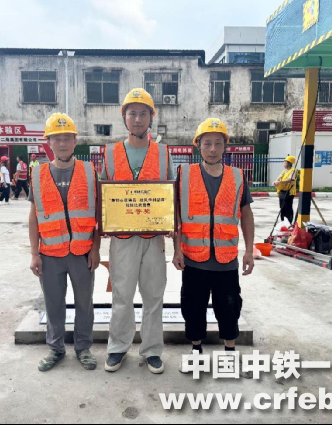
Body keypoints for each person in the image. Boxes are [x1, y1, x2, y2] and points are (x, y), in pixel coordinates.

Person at [172, 118, 255, 373]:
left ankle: (229, 352)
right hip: (193, 258)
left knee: (229, 307)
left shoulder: (237, 177)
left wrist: (249, 250)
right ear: (198, 145)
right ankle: (196, 350)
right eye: (207, 143)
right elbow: (175, 214)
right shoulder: (184, 175)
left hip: (226, 260)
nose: (212, 149)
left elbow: (246, 215)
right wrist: (176, 249)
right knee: (193, 307)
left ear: (225, 146)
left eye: (218, 143)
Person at [102, 88, 176, 375]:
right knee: (122, 295)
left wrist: (171, 225)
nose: (137, 119)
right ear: (124, 117)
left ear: (150, 117)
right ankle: (117, 348)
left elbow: (171, 193)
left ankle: (152, 350)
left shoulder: (163, 153)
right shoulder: (110, 153)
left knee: (154, 296)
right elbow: (104, 194)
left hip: (154, 237)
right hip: (122, 238)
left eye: (143, 113)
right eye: (132, 113)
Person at [29, 113, 100, 372]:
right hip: (50, 253)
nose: (62, 143)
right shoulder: (38, 174)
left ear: (75, 141)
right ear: (48, 142)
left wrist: (95, 249)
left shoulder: (89, 171)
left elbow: (98, 214)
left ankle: (83, 348)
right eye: (56, 138)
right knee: (53, 304)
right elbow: (34, 216)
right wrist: (34, 253)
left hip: (82, 252)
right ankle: (56, 349)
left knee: (84, 303)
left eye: (67, 138)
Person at [273, 156, 297, 227]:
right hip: (282, 192)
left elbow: (290, 179)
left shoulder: (293, 171)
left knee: (288, 208)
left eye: (285, 162)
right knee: (282, 208)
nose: (284, 163)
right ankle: (283, 222)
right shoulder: (283, 172)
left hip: (289, 192)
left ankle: (289, 223)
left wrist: (280, 182)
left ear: (289, 163)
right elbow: (278, 178)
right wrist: (275, 182)